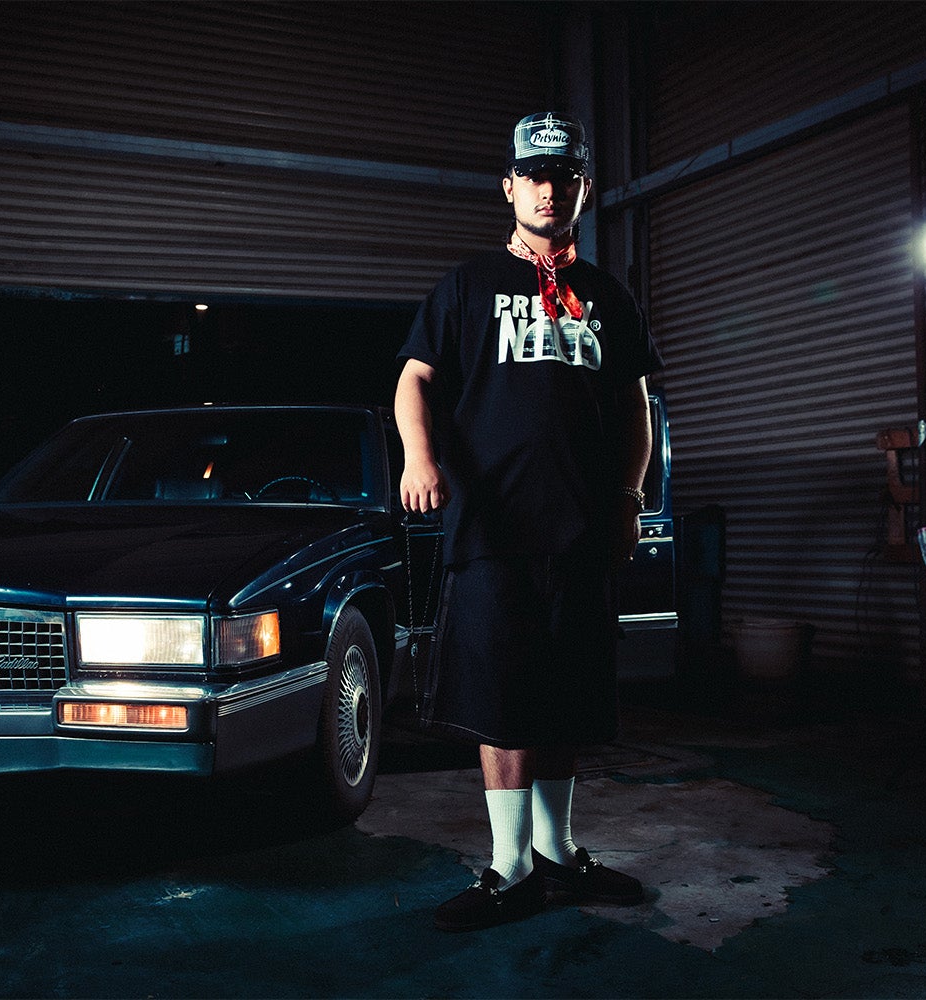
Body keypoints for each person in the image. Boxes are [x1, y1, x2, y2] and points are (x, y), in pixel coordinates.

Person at [394, 111, 662, 932]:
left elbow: (636, 408)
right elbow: (414, 379)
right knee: (505, 697)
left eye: (564, 176)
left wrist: (628, 499)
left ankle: (557, 854)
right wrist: (419, 459)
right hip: (494, 531)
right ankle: (509, 869)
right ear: (509, 186)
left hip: (580, 531)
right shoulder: (468, 286)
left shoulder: (608, 297)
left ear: (584, 188)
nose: (549, 189)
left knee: (567, 694)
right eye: (534, 176)